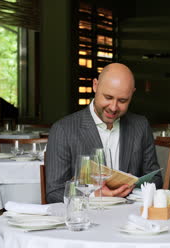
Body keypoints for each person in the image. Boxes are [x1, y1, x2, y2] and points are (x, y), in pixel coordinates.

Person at [45, 63, 162, 203]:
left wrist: (133, 189)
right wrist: (95, 196)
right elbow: (54, 192)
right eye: (108, 97)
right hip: (88, 218)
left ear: (132, 94)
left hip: (131, 217)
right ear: (95, 85)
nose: (113, 107)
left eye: (122, 100)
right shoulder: (63, 130)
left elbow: (156, 179)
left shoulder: (140, 126)